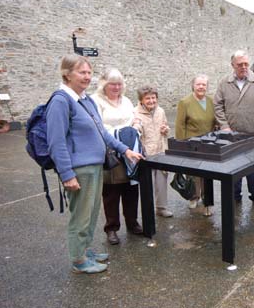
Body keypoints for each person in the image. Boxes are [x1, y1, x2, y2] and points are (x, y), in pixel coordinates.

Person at [46, 54, 143, 274]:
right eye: (82, 72)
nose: (87, 77)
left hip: (96, 167)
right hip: (80, 170)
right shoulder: (61, 100)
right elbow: (56, 142)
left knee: (91, 213)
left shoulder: (86, 100)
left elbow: (103, 134)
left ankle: (86, 249)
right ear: (66, 74)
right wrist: (66, 174)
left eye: (89, 72)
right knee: (80, 215)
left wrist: (125, 150)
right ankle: (78, 260)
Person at [91, 68, 143, 245]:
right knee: (111, 192)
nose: (116, 87)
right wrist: (118, 135)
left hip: (130, 150)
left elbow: (135, 118)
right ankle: (111, 228)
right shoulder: (95, 101)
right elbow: (97, 127)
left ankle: (132, 223)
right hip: (109, 152)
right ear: (104, 84)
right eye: (112, 84)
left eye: (119, 84)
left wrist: (136, 126)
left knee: (131, 188)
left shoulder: (127, 101)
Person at [214, 50, 254, 210]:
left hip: (253, 134)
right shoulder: (224, 82)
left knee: (253, 169)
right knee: (233, 167)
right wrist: (224, 126)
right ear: (233, 65)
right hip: (231, 135)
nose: (244, 67)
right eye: (240, 64)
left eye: (246, 64)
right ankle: (235, 196)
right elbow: (217, 105)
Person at [175, 74, 216, 209]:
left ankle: (207, 199)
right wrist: (181, 145)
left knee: (208, 173)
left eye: (204, 85)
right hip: (191, 144)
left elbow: (215, 122)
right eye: (198, 84)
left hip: (208, 144)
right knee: (193, 174)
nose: (201, 87)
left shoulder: (211, 101)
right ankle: (194, 197)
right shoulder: (185, 102)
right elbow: (180, 125)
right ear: (193, 86)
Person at [133, 85, 173, 218]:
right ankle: (148, 209)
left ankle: (161, 207)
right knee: (147, 183)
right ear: (141, 100)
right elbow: (134, 131)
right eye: (148, 98)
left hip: (161, 151)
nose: (151, 101)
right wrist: (137, 128)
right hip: (146, 154)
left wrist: (166, 129)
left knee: (161, 181)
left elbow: (166, 126)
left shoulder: (160, 111)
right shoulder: (135, 113)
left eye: (153, 98)